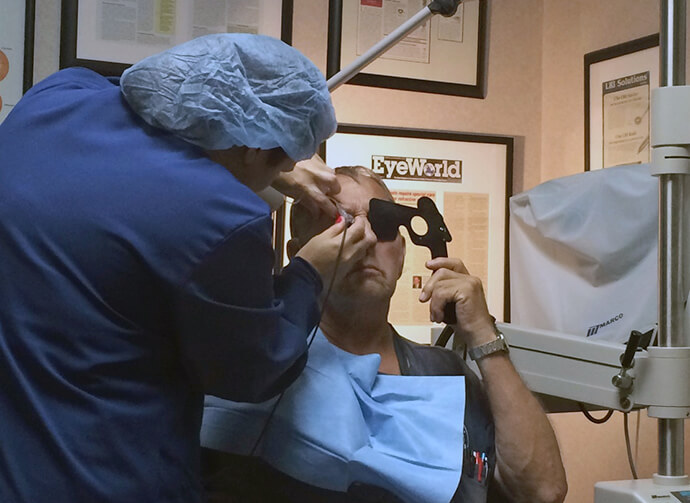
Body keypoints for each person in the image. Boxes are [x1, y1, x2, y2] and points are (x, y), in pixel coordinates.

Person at [0, 34, 377, 503]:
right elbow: (251, 372)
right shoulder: (219, 215)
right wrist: (309, 273)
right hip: (106, 477)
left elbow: (149, 94)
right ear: (255, 151)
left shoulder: (56, 98)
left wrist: (269, 161)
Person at [200, 166, 568, 503]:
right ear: (299, 252)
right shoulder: (258, 360)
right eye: (340, 221)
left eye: (384, 223)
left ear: (403, 253)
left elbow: (543, 491)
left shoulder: (444, 375)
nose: (368, 237)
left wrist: (484, 336)